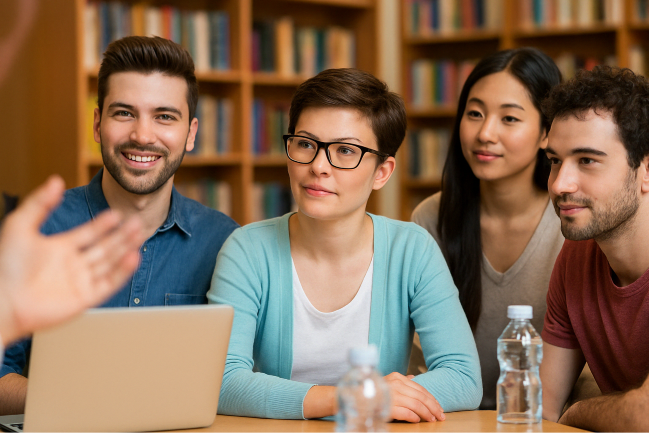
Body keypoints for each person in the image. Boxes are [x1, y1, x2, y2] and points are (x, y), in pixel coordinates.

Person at [208, 68, 481, 422]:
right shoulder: (247, 249)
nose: (319, 166)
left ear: (382, 172)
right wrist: (354, 398)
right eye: (305, 144)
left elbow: (463, 377)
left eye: (345, 151)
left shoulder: (411, 249)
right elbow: (223, 382)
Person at [0, 35, 239, 414]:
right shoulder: (38, 232)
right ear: (97, 124)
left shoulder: (225, 241)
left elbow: (235, 377)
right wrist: (82, 404)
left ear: (191, 133)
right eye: (124, 113)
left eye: (164, 116)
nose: (142, 136)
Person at [410, 48, 564, 410]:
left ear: (547, 132)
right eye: (474, 113)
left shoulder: (570, 225)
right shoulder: (431, 218)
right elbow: (414, 358)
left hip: (543, 420)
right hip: (446, 416)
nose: (485, 133)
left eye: (509, 119)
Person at [539, 65, 649, 433]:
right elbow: (540, 409)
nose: (559, 184)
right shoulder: (577, 257)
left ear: (645, 170)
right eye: (555, 161)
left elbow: (643, 416)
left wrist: (575, 413)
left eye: (587, 160)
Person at [0, 175, 144, 358]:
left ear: (190, 143)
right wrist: (5, 311)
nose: (144, 143)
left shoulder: (194, 250)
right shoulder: (45, 223)